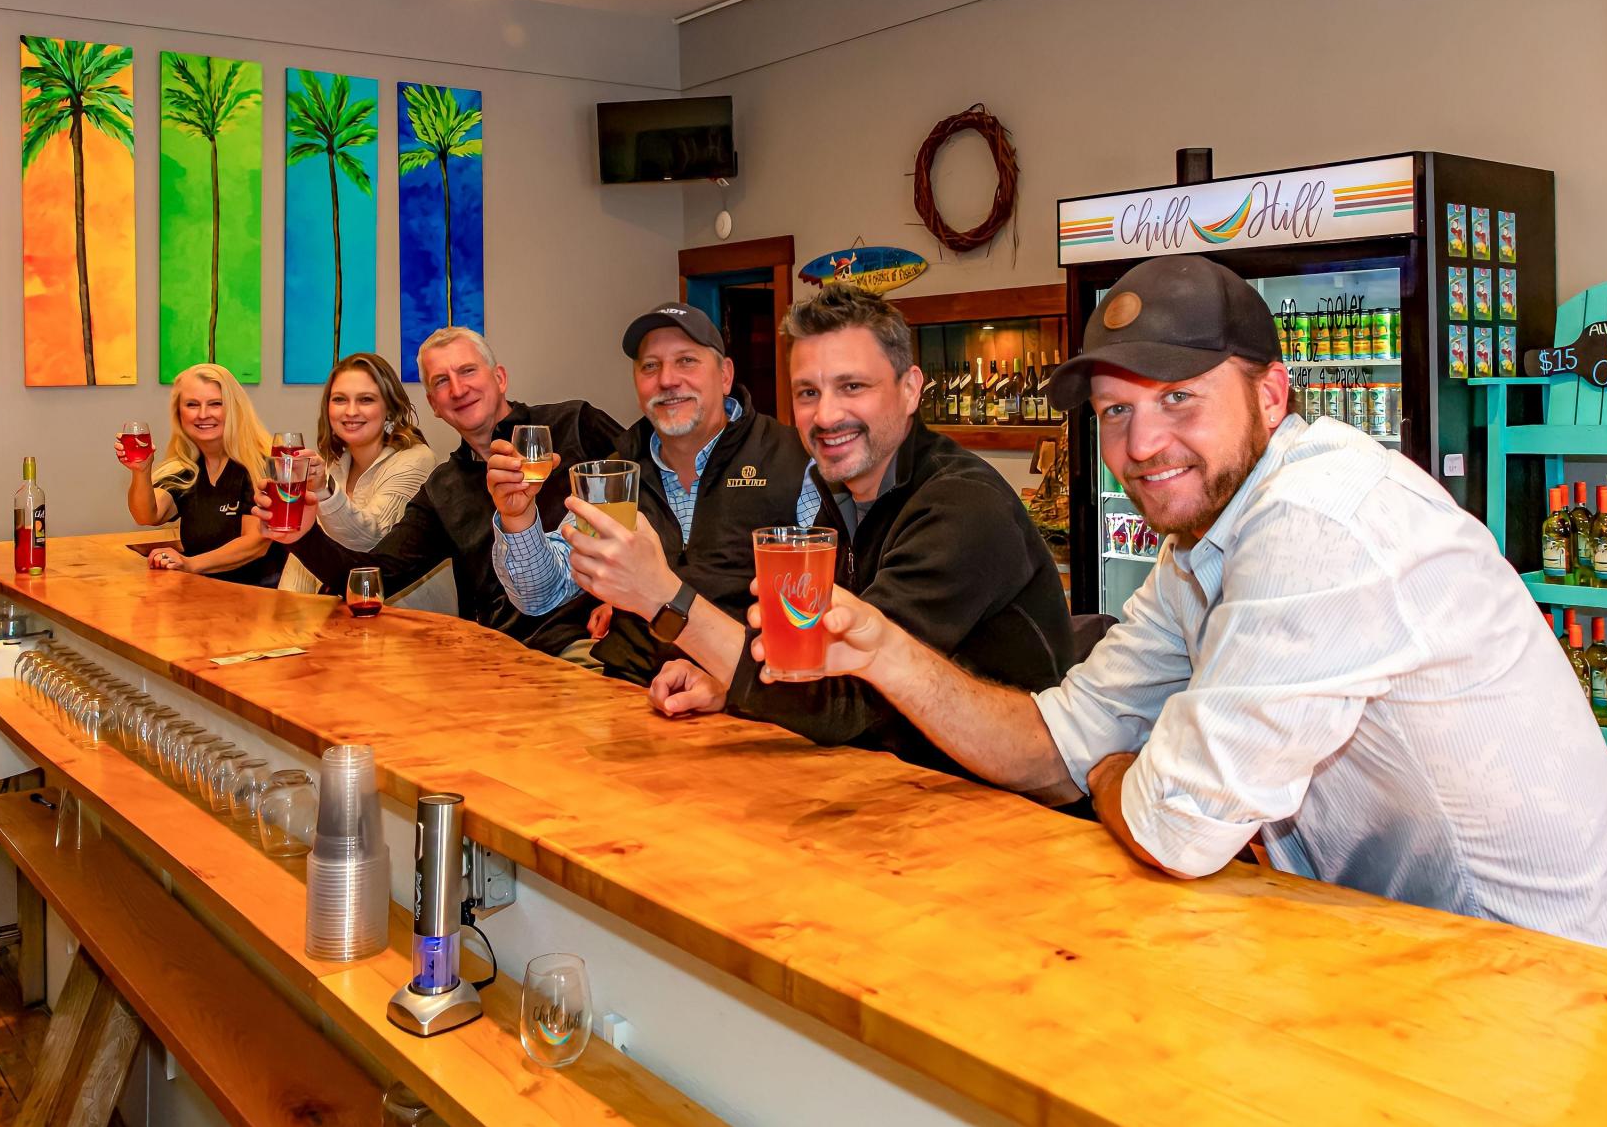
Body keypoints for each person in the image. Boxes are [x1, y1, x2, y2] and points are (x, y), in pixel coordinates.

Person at [765, 255, 1607, 960]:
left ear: (1271, 392)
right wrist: (885, 649)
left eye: (1178, 400)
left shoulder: (1318, 524)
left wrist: (1120, 770)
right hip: (1395, 957)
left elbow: (1176, 828)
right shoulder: (1204, 542)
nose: (1143, 443)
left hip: (1564, 989)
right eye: (1116, 413)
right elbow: (1053, 742)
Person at [561, 283, 1074, 777]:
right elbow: (816, 665)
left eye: (853, 386)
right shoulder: (842, 499)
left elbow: (847, 705)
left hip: (1003, 813)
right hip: (889, 782)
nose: (826, 415)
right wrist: (726, 683)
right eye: (808, 392)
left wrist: (662, 596)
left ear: (911, 388)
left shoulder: (962, 507)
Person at [487, 302, 818, 682]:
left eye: (687, 361)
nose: (667, 380)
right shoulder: (618, 470)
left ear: (725, 375)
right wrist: (518, 517)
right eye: (650, 366)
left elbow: (817, 608)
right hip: (629, 692)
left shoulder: (792, 460)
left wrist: (732, 684)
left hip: (756, 694)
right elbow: (544, 593)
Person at [256, 326, 623, 643]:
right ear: (432, 403)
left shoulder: (574, 425)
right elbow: (376, 574)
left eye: (467, 371)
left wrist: (622, 600)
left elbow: (657, 496)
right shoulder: (443, 488)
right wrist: (302, 537)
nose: (458, 389)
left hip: (590, 640)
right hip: (502, 654)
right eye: (441, 382)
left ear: (499, 378)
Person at [277, 352, 449, 612]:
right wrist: (284, 614)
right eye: (339, 400)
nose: (351, 411)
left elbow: (372, 546)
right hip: (341, 615)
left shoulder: (417, 460)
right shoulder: (333, 464)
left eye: (366, 400)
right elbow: (305, 554)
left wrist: (323, 491)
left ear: (389, 409)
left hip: (407, 622)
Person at [118, 363, 283, 586]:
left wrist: (190, 564)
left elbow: (255, 543)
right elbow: (147, 515)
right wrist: (141, 471)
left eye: (215, 404)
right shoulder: (186, 469)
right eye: (192, 405)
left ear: (234, 409)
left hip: (257, 601)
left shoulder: (262, 465)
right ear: (179, 413)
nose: (203, 414)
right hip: (200, 596)